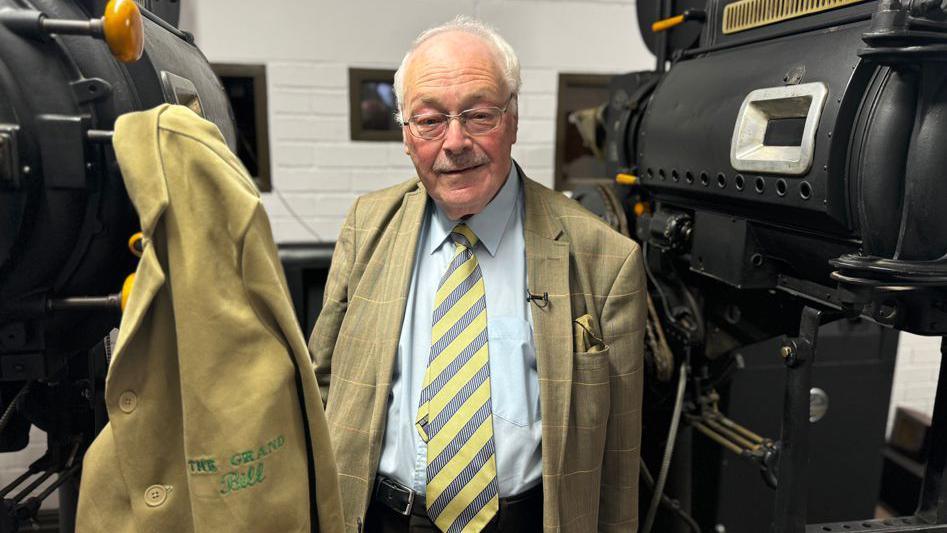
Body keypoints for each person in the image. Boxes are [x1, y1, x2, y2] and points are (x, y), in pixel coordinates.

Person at [309, 16, 645, 533]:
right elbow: (322, 383)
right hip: (380, 516)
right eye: (429, 120)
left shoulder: (604, 259)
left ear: (512, 118)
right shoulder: (366, 226)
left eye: (479, 115)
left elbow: (620, 456)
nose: (455, 141)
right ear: (405, 134)